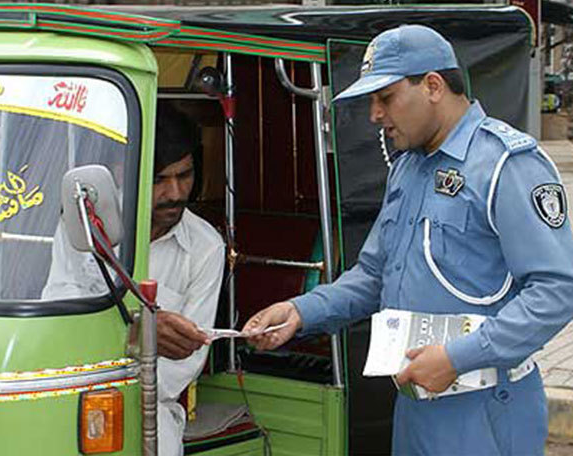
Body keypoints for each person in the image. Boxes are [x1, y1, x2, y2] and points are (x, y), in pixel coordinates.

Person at [243, 25, 573, 455]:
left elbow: (557, 289)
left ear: (433, 85)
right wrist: (300, 312)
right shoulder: (409, 168)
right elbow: (375, 275)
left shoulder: (504, 164)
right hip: (417, 404)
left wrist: (459, 357)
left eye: (385, 98)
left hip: (485, 408)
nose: (375, 115)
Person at [43, 103, 225, 456]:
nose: (175, 193)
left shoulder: (206, 247)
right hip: (75, 389)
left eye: (184, 176)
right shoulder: (84, 225)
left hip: (149, 407)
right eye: (159, 180)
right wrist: (138, 336)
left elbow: (184, 363)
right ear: (124, 172)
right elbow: (58, 309)